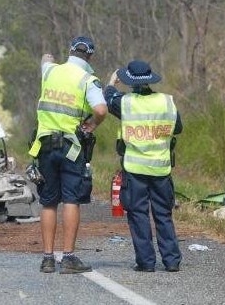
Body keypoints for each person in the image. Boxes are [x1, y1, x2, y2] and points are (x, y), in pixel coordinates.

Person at [28, 36, 107, 274]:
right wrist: (93, 123)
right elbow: (101, 109)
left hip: (45, 147)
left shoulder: (50, 71)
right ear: (90, 57)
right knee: (71, 199)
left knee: (49, 202)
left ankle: (48, 258)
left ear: (70, 51)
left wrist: (49, 57)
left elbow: (45, 59)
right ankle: (69, 258)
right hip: (71, 148)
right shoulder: (87, 79)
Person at [104, 60, 183, 272]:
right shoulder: (167, 102)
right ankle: (172, 261)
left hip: (136, 171)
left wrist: (112, 82)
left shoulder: (126, 103)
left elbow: (108, 97)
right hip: (161, 170)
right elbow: (178, 128)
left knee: (138, 214)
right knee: (163, 215)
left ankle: (146, 262)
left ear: (130, 81)